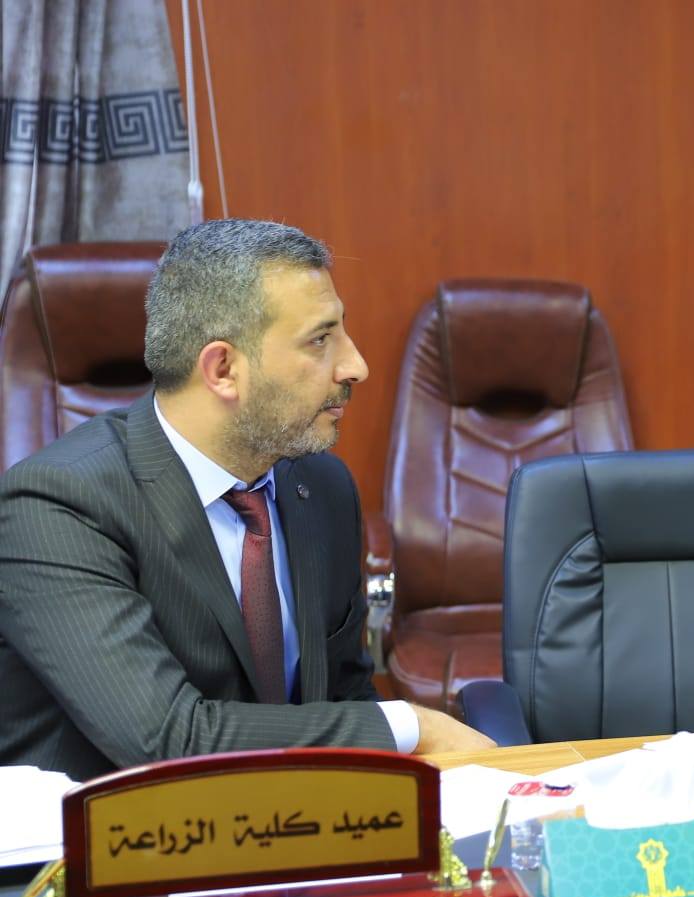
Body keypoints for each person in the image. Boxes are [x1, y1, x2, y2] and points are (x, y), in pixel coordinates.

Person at [0, 219, 494, 778]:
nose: (355, 366)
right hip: (104, 825)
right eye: (320, 340)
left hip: (283, 815)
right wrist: (413, 725)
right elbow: (169, 739)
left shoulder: (322, 488)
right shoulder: (56, 506)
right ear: (223, 369)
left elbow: (342, 696)